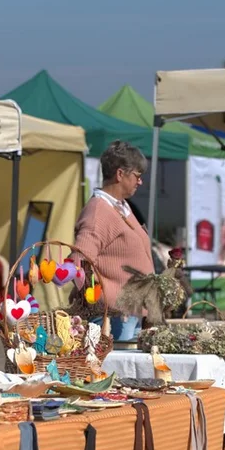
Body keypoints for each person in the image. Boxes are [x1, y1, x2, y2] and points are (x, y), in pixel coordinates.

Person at [73, 140, 154, 342]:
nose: (140, 181)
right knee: (115, 370)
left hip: (133, 315)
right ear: (120, 174)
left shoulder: (122, 208)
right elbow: (78, 262)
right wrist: (107, 299)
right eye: (137, 175)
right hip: (116, 318)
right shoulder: (99, 211)